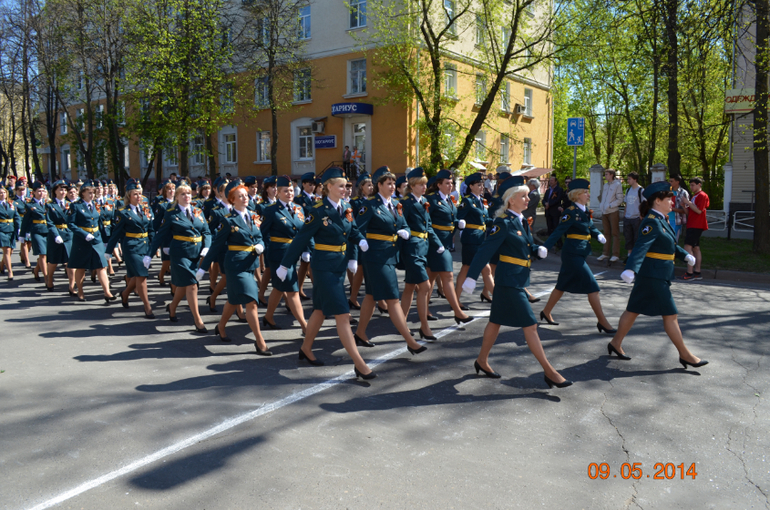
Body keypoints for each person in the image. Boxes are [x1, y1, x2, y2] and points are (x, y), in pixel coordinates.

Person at [461, 184, 571, 388]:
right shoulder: (502, 223)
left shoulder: (519, 221)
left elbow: (526, 245)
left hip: (517, 279)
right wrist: (471, 276)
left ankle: (482, 360)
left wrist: (537, 249)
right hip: (509, 281)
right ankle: (550, 371)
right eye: (523, 196)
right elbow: (485, 250)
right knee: (530, 326)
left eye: (528, 196)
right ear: (511, 200)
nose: (528, 199)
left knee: (495, 322)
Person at [276, 167, 376, 379]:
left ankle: (306, 348)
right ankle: (359, 363)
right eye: (340, 185)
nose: (345, 189)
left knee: (320, 310)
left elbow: (353, 230)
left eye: (346, 186)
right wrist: (285, 265)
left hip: (339, 266)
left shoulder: (346, 207)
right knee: (342, 313)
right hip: (323, 267)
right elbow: (301, 239)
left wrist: (359, 243)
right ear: (328, 187)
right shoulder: (318, 211)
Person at [609, 181, 708, 370]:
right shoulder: (651, 221)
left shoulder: (662, 219)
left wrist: (684, 255)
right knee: (670, 315)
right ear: (657, 201)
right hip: (653, 276)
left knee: (633, 310)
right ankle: (685, 355)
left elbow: (669, 244)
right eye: (669, 199)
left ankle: (615, 343)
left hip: (657, 274)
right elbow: (640, 246)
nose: (673, 202)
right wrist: (631, 268)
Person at [353, 166, 427, 355]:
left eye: (394, 183)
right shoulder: (370, 205)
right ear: (379, 185)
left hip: (389, 256)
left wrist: (406, 232)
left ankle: (360, 333)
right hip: (375, 257)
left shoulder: (395, 205)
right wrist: (360, 242)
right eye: (389, 183)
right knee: (393, 299)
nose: (393, 186)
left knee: (371, 296)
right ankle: (410, 341)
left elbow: (405, 226)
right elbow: (355, 228)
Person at [199, 182, 271, 354]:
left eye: (245, 195)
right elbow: (216, 246)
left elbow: (260, 236)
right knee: (251, 302)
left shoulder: (253, 216)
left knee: (233, 300)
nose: (245, 198)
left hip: (250, 263)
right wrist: (202, 268)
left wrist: (261, 245)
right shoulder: (227, 220)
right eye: (240, 196)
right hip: (235, 265)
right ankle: (260, 341)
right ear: (232, 200)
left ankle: (221, 326)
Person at [539, 179, 616, 333]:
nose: (588, 194)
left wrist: (598, 235)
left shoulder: (585, 211)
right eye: (585, 192)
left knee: (562, 285)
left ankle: (546, 312)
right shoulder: (571, 212)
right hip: (572, 254)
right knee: (593, 287)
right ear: (577, 195)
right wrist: (545, 246)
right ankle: (602, 321)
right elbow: (558, 231)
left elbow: (590, 227)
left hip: (580, 252)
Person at [148, 182, 212, 333]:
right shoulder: (171, 213)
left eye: (189, 193)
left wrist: (207, 246)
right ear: (176, 197)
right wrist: (149, 255)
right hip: (180, 253)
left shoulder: (197, 211)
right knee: (192, 284)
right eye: (183, 194)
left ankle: (172, 307)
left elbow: (207, 232)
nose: (186, 196)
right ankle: (197, 320)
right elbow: (160, 234)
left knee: (183, 286)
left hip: (195, 254)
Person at [398, 167, 446, 340]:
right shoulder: (406, 203)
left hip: (423, 247)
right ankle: (424, 326)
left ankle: (401, 322)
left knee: (410, 287)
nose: (424, 187)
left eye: (425, 184)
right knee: (425, 287)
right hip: (412, 248)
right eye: (420, 184)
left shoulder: (424, 201)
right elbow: (401, 224)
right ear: (412, 186)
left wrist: (438, 244)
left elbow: (429, 226)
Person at [259, 176, 309, 334]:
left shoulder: (298, 209)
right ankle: (305, 326)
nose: (290, 193)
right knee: (293, 291)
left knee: (279, 288)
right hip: (279, 256)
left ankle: (268, 316)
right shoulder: (271, 210)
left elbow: (304, 231)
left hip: (294, 254)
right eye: (285, 191)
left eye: (291, 190)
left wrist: (308, 249)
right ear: (278, 192)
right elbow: (262, 234)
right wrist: (267, 250)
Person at [425, 169, 471, 324]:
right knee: (447, 276)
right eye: (447, 183)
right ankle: (457, 311)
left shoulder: (449, 200)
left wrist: (457, 223)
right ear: (439, 185)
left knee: (431, 277)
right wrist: (435, 242)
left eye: (451, 183)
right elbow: (427, 223)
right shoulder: (431, 199)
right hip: (435, 243)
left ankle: (424, 309)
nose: (450, 185)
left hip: (445, 242)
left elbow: (450, 219)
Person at [105, 180, 156, 318]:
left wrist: (154, 246)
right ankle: (147, 306)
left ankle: (125, 293)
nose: (139, 197)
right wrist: (109, 251)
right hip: (131, 247)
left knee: (138, 275)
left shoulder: (146, 209)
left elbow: (151, 229)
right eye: (135, 194)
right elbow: (116, 233)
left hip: (144, 247)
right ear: (129, 196)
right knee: (142, 276)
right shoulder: (122, 212)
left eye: (140, 194)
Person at [67, 180, 116, 303]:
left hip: (96, 239)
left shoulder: (96, 205)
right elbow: (71, 224)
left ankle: (107, 292)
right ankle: (80, 291)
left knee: (102, 265)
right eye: (89, 193)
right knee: (81, 267)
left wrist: (104, 239)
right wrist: (84, 234)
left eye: (93, 193)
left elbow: (99, 222)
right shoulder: (76, 206)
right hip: (82, 240)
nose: (92, 195)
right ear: (82, 193)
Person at [455, 172, 494, 307]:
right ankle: (455, 300)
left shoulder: (481, 201)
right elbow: (458, 217)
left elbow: (485, 220)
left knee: (485, 270)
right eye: (478, 184)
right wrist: (459, 225)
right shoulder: (467, 201)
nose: (482, 187)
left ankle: (496, 298)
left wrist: (496, 222)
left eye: (482, 184)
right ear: (471, 186)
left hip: (480, 239)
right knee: (467, 268)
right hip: (471, 240)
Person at [44, 180, 75, 294]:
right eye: (60, 189)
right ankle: (50, 278)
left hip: (68, 234)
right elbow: (50, 222)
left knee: (70, 261)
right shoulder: (50, 205)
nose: (63, 192)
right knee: (53, 261)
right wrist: (56, 235)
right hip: (55, 234)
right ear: (55, 191)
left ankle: (72, 286)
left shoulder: (70, 204)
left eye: (65, 190)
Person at [19, 181, 49, 283]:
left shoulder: (48, 204)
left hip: (48, 231)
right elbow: (25, 221)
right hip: (36, 231)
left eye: (43, 191)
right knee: (42, 254)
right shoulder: (30, 205)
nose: (41, 193)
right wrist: (22, 234)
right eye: (39, 191)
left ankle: (36, 270)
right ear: (34, 193)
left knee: (46, 255)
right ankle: (47, 278)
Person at [679, 177, 709, 280]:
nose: (691, 187)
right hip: (692, 224)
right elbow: (690, 212)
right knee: (696, 248)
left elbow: (699, 211)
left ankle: (689, 272)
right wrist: (684, 206)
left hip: (696, 225)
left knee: (687, 247)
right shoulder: (694, 196)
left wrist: (687, 202)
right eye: (690, 185)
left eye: (693, 185)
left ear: (699, 185)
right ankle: (697, 271)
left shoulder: (702, 195)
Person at [597, 168, 623, 262]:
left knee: (615, 233)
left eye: (607, 174)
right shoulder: (605, 185)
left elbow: (620, 198)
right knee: (606, 233)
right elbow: (603, 197)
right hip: (604, 212)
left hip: (613, 211)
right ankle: (605, 253)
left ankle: (615, 254)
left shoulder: (617, 184)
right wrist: (602, 206)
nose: (605, 176)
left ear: (612, 175)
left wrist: (611, 205)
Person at [0, 185, 21, 280]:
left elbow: (16, 217)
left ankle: (1, 265)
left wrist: (19, 228)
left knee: (10, 251)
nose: (2, 194)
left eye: (4, 192)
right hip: (1, 229)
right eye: (0, 193)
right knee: (7, 250)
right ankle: (10, 271)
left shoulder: (11, 204)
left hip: (11, 229)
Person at [623, 172, 645, 260]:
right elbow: (626, 204)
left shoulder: (641, 190)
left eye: (629, 179)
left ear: (635, 179)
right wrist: (625, 214)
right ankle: (629, 256)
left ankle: (636, 256)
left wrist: (641, 215)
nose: (628, 181)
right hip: (628, 217)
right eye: (628, 179)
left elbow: (644, 204)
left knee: (637, 237)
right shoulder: (628, 190)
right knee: (628, 238)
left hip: (637, 217)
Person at [542, 175, 563, 241]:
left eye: (552, 181)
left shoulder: (559, 190)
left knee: (555, 227)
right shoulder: (548, 190)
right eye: (550, 181)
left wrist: (549, 204)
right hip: (548, 212)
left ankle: (558, 243)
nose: (550, 182)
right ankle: (551, 242)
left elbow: (558, 200)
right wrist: (545, 203)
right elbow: (544, 199)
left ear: (556, 182)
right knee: (549, 228)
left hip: (555, 212)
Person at [668, 175, 689, 242]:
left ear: (677, 182)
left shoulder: (683, 193)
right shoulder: (667, 191)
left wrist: (673, 209)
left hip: (676, 221)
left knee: (673, 241)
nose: (670, 182)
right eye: (669, 181)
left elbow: (686, 210)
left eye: (672, 181)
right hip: (666, 219)